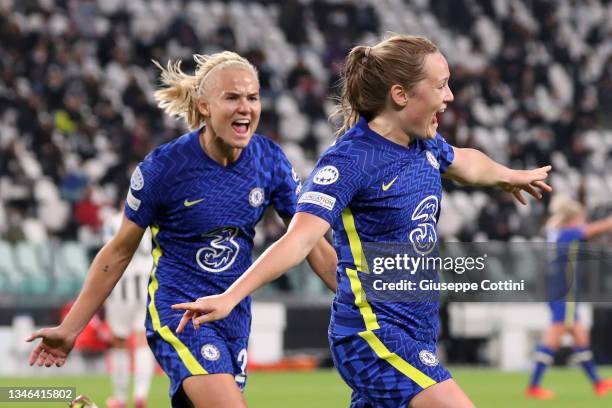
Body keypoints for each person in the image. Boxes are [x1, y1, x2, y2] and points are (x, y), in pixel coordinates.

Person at [171, 35, 552, 408]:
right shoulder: (350, 161)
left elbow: (466, 162)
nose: (449, 96)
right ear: (400, 95)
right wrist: (231, 296)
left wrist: (508, 175)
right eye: (440, 85)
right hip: (371, 335)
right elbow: (299, 239)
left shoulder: (424, 144)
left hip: (417, 332)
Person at [26, 50, 338, 408]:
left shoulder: (269, 161)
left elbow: (310, 242)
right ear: (204, 106)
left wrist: (359, 302)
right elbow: (119, 250)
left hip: (233, 313)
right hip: (180, 313)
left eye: (252, 97)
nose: (246, 108)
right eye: (232, 97)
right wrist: (71, 327)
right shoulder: (164, 168)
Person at [526, 195, 612, 399]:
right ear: (572, 219)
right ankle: (534, 386)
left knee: (581, 338)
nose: (584, 222)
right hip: (564, 295)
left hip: (561, 293)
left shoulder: (557, 233)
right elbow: (599, 228)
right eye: (581, 218)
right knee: (553, 340)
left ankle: (598, 383)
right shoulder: (568, 234)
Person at [102, 201, 155, 408]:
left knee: (120, 340)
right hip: (146, 283)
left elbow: (111, 253)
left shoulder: (112, 221)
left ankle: (120, 398)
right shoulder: (151, 220)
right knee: (142, 340)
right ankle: (141, 393)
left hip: (121, 284)